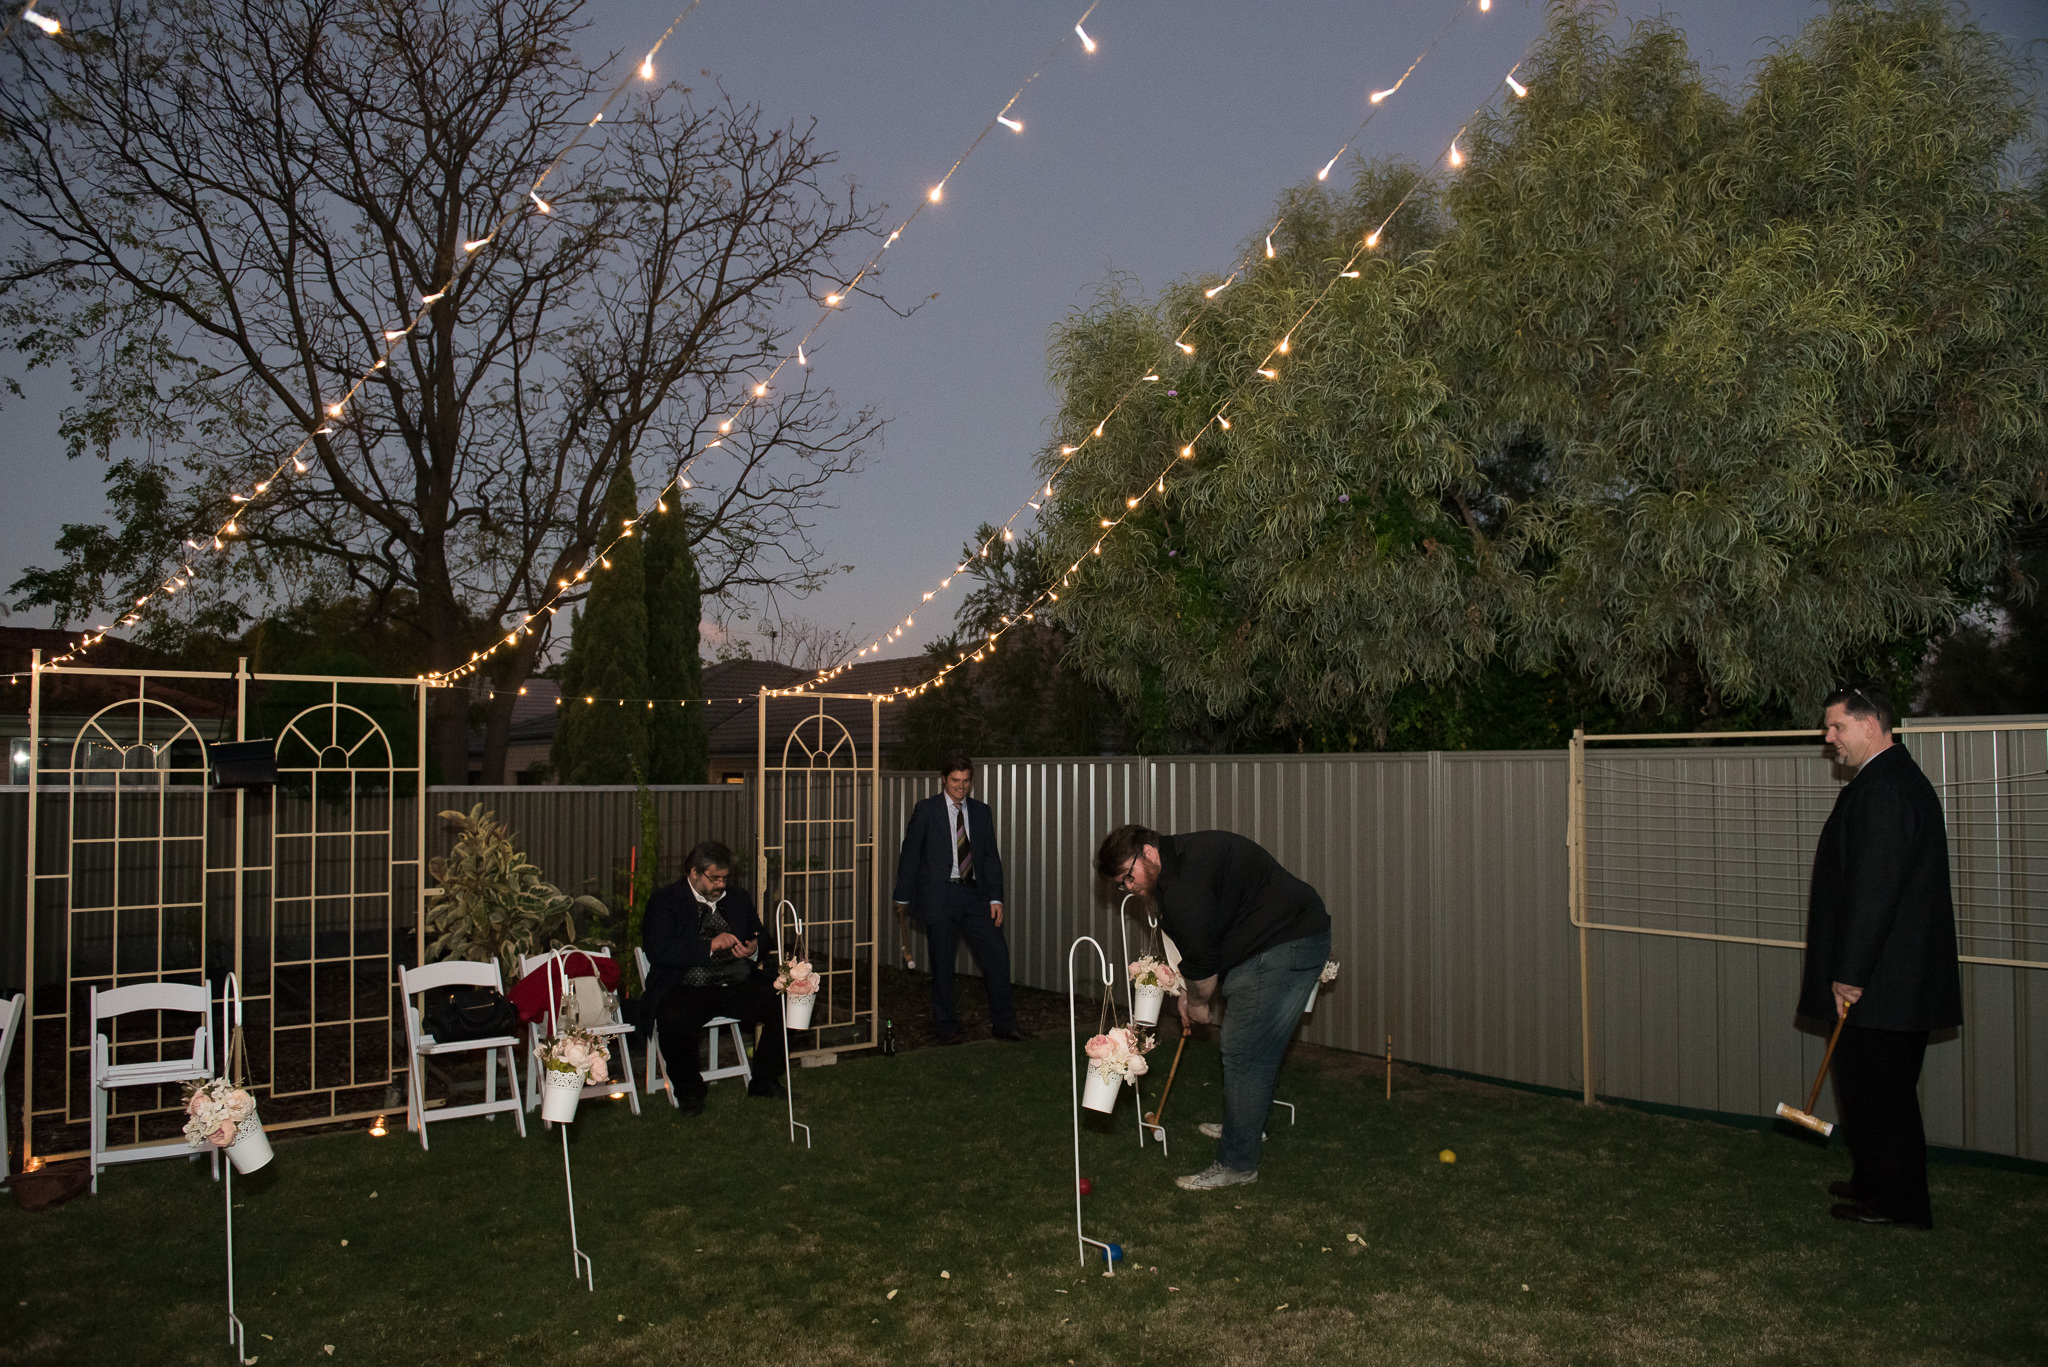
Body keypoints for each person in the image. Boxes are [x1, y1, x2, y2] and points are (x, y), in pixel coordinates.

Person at [1801, 682, 1961, 1228]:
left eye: (1837, 727)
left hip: (1884, 981)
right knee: (1866, 1088)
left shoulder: (1888, 789)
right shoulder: (1882, 781)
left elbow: (1875, 890)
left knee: (1883, 1092)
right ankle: (1875, 1181)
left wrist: (1848, 974)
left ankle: (1901, 1203)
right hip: (1883, 978)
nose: (1830, 739)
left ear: (1871, 725)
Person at [1095, 824, 1330, 1191]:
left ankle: (1237, 1163)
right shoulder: (1181, 858)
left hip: (1286, 943)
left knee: (1243, 1052)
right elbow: (1199, 943)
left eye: (1128, 876)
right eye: (1121, 884)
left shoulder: (1182, 886)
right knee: (1255, 1049)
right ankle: (1247, 1125)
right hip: (1285, 935)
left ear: (1148, 852)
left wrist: (1197, 1003)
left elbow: (1204, 968)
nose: (1128, 887)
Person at [641, 840, 787, 1114]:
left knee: (789, 1001)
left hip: (735, 983)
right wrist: (709, 945)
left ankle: (764, 1081)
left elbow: (761, 935)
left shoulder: (737, 898)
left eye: (724, 878)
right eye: (714, 878)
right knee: (673, 1019)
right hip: (686, 985)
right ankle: (690, 1094)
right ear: (694, 873)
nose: (721, 885)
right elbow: (658, 949)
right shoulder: (666, 900)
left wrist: (754, 947)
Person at [892, 753, 1028, 1044]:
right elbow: (910, 854)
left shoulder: (981, 812)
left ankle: (1004, 1024)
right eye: (955, 780)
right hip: (940, 898)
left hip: (975, 897)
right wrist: (902, 895)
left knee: (997, 956)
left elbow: (990, 856)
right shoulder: (926, 810)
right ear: (944, 779)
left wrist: (996, 898)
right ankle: (946, 1026)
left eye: (966, 781)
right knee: (942, 964)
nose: (961, 786)